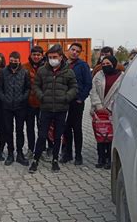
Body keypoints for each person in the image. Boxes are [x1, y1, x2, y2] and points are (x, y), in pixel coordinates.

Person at [29, 44, 77, 173]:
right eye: (50, 57)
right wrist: (41, 96)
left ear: (61, 57)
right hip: (46, 108)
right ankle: (35, 160)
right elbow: (36, 86)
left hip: (61, 109)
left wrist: (67, 97)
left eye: (54, 57)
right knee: (42, 135)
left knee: (57, 136)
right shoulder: (42, 71)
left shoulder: (68, 72)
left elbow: (74, 87)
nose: (52, 59)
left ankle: (55, 160)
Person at [90, 55, 124, 170]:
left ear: (114, 64)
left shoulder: (122, 77)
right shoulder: (98, 75)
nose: (105, 66)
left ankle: (110, 159)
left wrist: (109, 108)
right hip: (98, 111)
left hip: (112, 111)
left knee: (110, 136)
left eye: (108, 64)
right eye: (103, 64)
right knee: (100, 135)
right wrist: (98, 106)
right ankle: (101, 158)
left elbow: (120, 94)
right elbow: (93, 90)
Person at [61, 43, 92, 166]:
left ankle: (78, 155)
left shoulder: (82, 66)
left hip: (77, 101)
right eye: (73, 50)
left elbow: (88, 83)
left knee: (77, 128)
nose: (74, 52)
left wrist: (81, 98)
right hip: (64, 101)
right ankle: (67, 154)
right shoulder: (63, 65)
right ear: (68, 50)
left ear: (80, 54)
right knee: (66, 128)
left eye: (77, 51)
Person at [0, 51, 30, 166]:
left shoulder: (24, 72)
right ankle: (10, 153)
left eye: (15, 61)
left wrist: (22, 98)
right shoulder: (3, 72)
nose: (13, 63)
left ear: (19, 61)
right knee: (8, 131)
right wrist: (4, 98)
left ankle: (20, 154)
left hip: (20, 107)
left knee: (20, 131)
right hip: (6, 107)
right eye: (11, 61)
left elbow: (28, 88)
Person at [22, 46, 45, 160]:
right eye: (34, 55)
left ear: (42, 55)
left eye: (38, 55)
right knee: (30, 128)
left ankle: (42, 150)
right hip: (29, 103)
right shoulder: (24, 67)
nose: (36, 57)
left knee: (43, 128)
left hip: (43, 104)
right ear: (30, 55)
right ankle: (31, 149)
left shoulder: (47, 67)